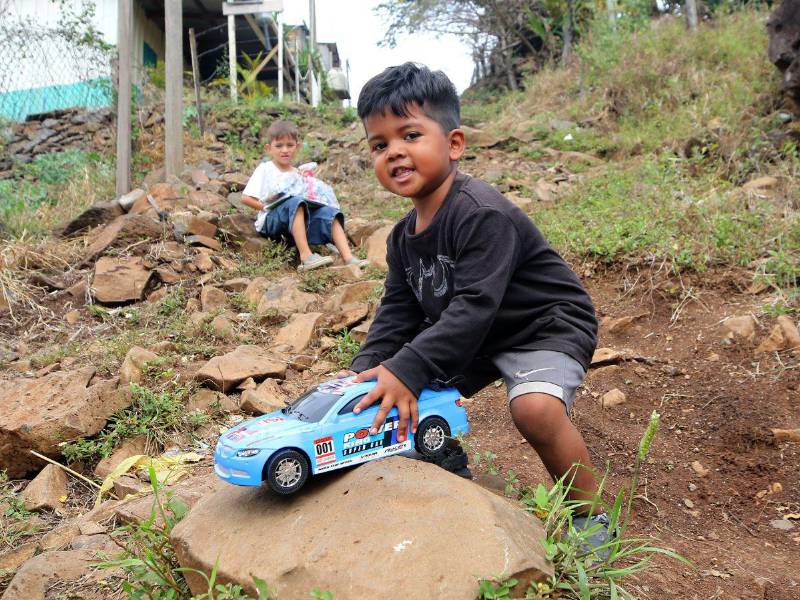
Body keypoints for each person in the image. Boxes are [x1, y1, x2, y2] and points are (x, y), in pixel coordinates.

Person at [342, 63, 611, 553]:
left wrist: (407, 367)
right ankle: (441, 456)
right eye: (379, 144)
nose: (394, 151)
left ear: (454, 143)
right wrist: (365, 371)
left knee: (534, 409)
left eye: (410, 134)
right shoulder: (404, 238)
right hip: (477, 332)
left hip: (541, 323)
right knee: (391, 389)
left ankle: (589, 518)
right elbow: (397, 314)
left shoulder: (480, 213)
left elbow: (475, 305)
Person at [241, 120, 367, 272]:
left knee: (329, 213)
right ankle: (306, 256)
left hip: (296, 218)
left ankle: (349, 258)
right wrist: (267, 207)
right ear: (269, 148)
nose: (285, 150)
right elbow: (246, 198)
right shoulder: (266, 169)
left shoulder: (298, 173)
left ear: (297, 147)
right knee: (295, 203)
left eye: (290, 145)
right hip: (272, 219)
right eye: (279, 146)